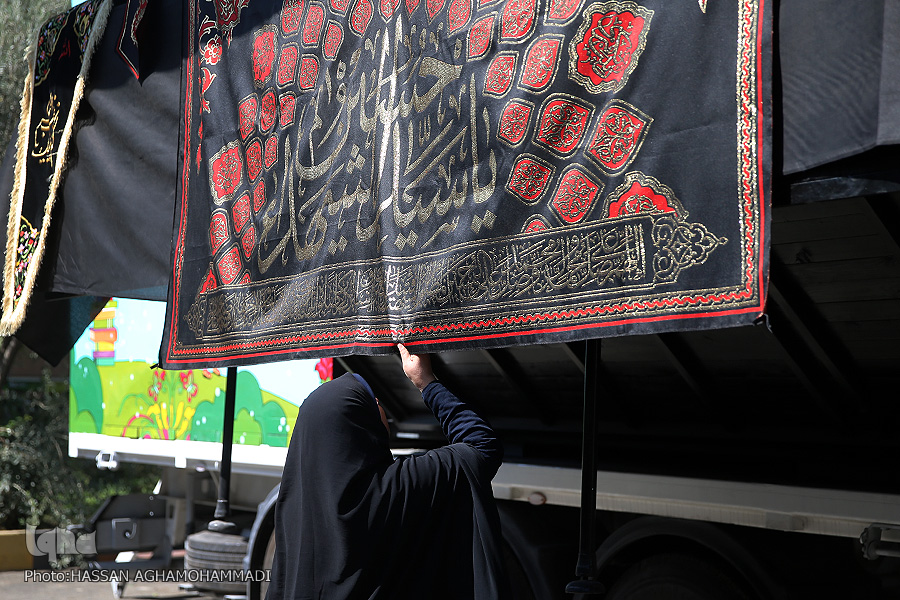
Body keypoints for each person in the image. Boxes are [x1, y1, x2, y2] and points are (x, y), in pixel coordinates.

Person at [265, 343, 511, 600]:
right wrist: (426, 382)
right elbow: (481, 446)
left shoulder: (293, 513)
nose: (379, 403)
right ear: (359, 423)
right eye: (371, 402)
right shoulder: (395, 489)